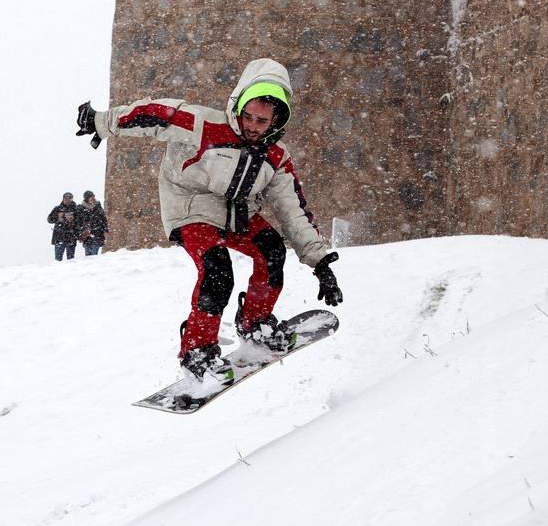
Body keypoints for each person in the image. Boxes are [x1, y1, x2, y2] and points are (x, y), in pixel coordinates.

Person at [74, 57, 342, 385]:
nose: (253, 126)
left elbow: (293, 209)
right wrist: (102, 121)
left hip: (236, 212)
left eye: (262, 120)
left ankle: (254, 323)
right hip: (190, 206)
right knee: (217, 269)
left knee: (273, 250)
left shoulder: (276, 156)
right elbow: (153, 114)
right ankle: (197, 350)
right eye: (248, 116)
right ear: (238, 106)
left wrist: (319, 263)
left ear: (276, 121)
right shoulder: (203, 124)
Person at [47, 192, 79, 261]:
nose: (68, 200)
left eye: (69, 199)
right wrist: (57, 216)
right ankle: (58, 272)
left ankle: (71, 271)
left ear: (72, 199)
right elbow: (49, 219)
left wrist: (73, 220)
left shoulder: (75, 209)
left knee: (71, 260)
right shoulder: (57, 208)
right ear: (63, 199)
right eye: (66, 199)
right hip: (59, 237)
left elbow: (80, 222)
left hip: (71, 237)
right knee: (58, 260)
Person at [75, 190, 108, 256]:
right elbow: (78, 222)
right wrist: (81, 232)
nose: (93, 197)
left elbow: (103, 219)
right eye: (91, 196)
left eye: (93, 196)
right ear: (87, 198)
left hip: (97, 234)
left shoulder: (98, 206)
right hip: (86, 236)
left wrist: (105, 230)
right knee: (88, 255)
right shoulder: (80, 208)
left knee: (94, 255)